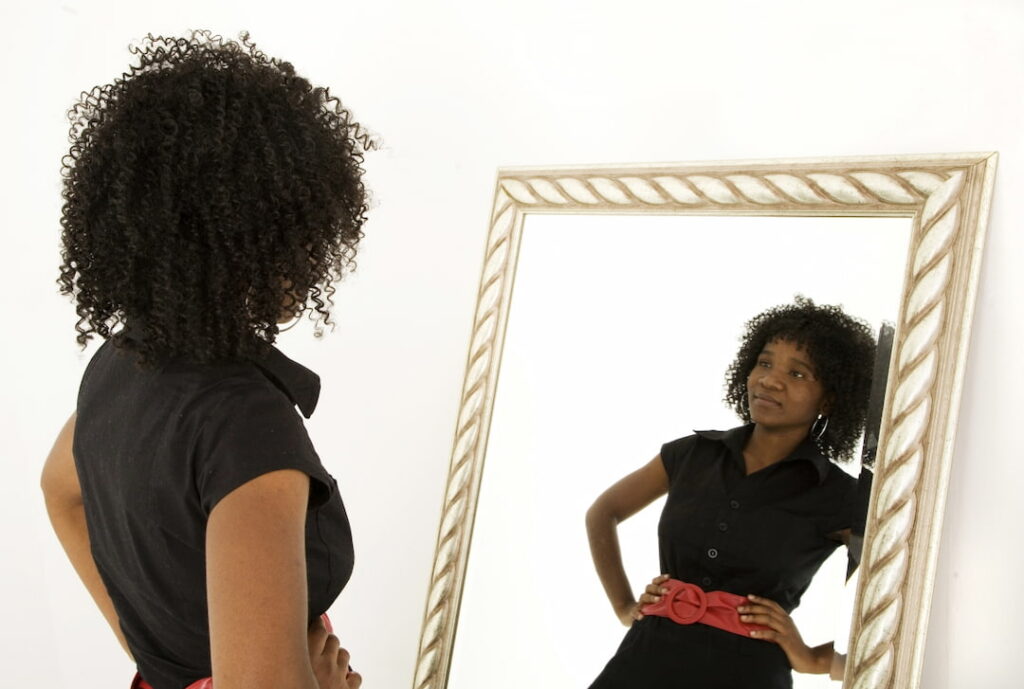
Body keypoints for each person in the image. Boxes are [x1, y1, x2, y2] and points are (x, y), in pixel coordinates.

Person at [40, 31, 374, 689]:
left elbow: (61, 491)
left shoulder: (121, 359)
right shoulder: (248, 426)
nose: (310, 253)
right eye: (295, 227)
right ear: (244, 234)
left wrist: (156, 661)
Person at [585, 297, 876, 689]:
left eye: (798, 374)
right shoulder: (691, 455)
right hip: (641, 665)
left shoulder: (841, 497)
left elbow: (886, 619)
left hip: (748, 675)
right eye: (766, 362)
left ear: (829, 399)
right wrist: (624, 606)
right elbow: (603, 512)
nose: (771, 380)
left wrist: (814, 659)